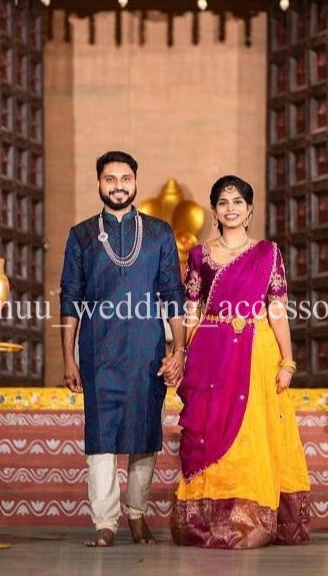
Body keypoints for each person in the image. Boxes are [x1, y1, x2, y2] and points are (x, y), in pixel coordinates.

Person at [171, 175, 311, 549]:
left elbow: (277, 311)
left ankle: (247, 519)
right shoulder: (200, 255)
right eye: (222, 202)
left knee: (251, 435)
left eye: (237, 201)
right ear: (214, 210)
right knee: (205, 431)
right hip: (210, 350)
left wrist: (288, 361)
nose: (230, 208)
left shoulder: (268, 253)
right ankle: (205, 522)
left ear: (249, 210)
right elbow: (190, 310)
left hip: (255, 350)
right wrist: (181, 351)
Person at [60, 151, 186, 548]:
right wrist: (69, 357)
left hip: (147, 349)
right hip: (97, 351)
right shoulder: (80, 235)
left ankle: (136, 516)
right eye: (110, 178)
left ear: (135, 181)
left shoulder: (159, 233)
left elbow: (173, 296)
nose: (118, 185)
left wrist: (179, 349)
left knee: (144, 433)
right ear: (98, 183)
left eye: (125, 178)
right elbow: (70, 300)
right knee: (100, 436)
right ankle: (104, 522)